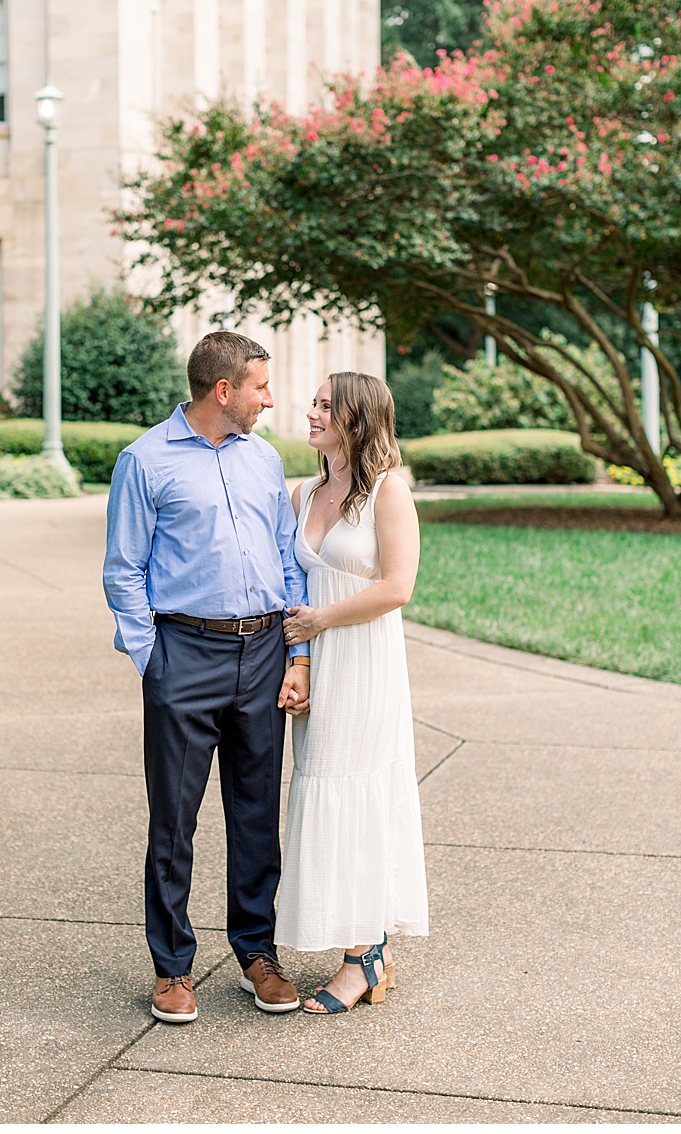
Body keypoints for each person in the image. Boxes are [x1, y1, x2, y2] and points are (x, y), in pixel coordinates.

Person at [103, 331, 310, 1023]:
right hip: (183, 656)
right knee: (174, 823)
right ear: (224, 391)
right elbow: (123, 569)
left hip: (262, 656)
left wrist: (290, 650)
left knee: (257, 816)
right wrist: (152, 658)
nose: (269, 400)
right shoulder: (145, 461)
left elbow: (286, 557)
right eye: (260, 387)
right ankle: (172, 969)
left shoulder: (264, 461)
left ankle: (257, 954)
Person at [275, 371, 429, 1013]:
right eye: (312, 403)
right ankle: (367, 947)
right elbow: (293, 585)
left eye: (324, 406)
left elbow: (398, 588)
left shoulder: (388, 491)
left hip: (365, 660)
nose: (310, 413)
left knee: (358, 794)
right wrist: (300, 657)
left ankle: (364, 958)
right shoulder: (305, 491)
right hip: (320, 661)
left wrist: (321, 622)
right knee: (319, 789)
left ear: (357, 420)